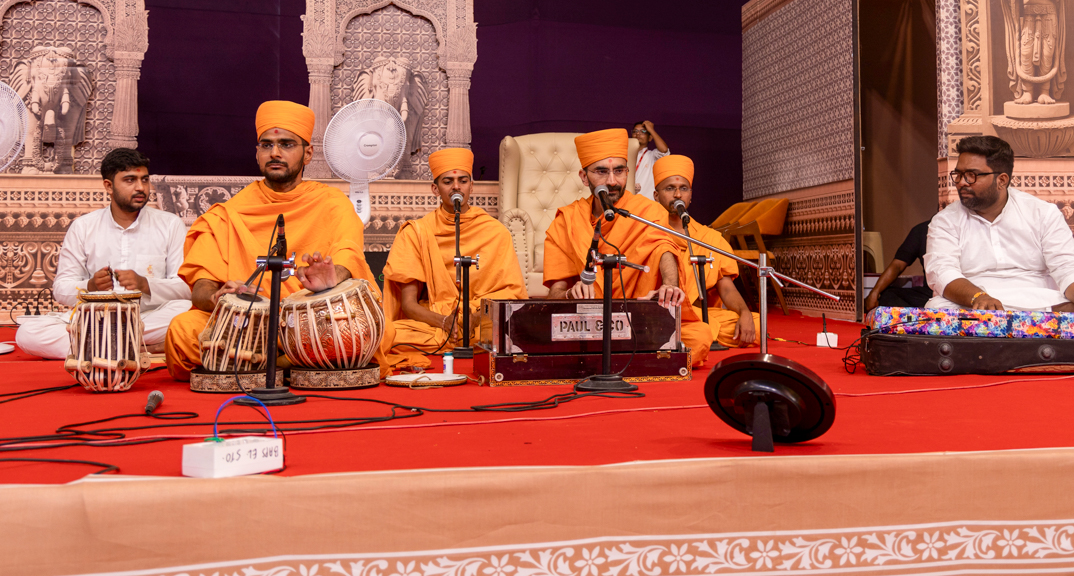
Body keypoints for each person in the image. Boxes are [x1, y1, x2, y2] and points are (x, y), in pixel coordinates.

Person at [163, 100, 382, 380]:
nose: (275, 153)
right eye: (266, 145)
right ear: (257, 153)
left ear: (308, 154)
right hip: (244, 326)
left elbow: (347, 256)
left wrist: (330, 279)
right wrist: (218, 297)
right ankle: (289, 364)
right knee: (183, 330)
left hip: (309, 323)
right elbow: (201, 286)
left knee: (351, 329)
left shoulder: (332, 204)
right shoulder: (229, 213)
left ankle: (256, 364)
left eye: (287, 144)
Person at [543, 129, 712, 366]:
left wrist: (669, 286)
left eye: (619, 171)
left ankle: (610, 356)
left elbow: (663, 248)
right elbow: (554, 296)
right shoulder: (566, 221)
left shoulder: (647, 212)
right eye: (601, 171)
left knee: (700, 337)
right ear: (583, 177)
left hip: (638, 321)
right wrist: (572, 294)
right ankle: (633, 355)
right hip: (586, 324)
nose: (612, 181)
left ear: (627, 173)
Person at [15, 148, 192, 359]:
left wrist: (145, 284)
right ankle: (133, 346)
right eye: (130, 180)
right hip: (95, 318)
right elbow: (61, 288)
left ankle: (98, 346)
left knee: (187, 310)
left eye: (144, 180)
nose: (140, 188)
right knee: (28, 333)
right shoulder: (83, 227)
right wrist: (90, 286)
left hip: (146, 317)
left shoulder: (170, 225)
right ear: (108, 186)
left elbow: (185, 287)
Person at [925, 135, 1074, 314]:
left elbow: (1067, 266)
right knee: (938, 310)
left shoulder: (1042, 213)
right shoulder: (944, 221)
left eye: (971, 175)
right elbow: (942, 272)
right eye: (958, 174)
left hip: (1037, 297)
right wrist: (978, 297)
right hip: (972, 300)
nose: (961, 183)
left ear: (1002, 180)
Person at [380, 147, 527, 372]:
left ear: (471, 186)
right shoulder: (416, 232)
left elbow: (511, 293)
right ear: (435, 189)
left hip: (481, 324)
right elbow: (408, 305)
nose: (456, 187)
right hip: (434, 324)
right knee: (390, 336)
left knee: (511, 333)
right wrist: (444, 322)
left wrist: (476, 317)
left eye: (463, 180)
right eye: (448, 181)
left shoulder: (495, 232)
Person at [652, 155, 757, 348]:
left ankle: (697, 335)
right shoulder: (647, 233)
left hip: (699, 315)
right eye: (669, 188)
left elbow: (726, 287)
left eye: (683, 188)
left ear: (690, 195)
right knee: (700, 331)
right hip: (658, 313)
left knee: (757, 325)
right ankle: (700, 335)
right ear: (656, 196)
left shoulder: (709, 237)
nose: (677, 195)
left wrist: (745, 313)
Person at [863, 220, 934, 311]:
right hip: (929, 295)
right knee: (886, 295)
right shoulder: (922, 230)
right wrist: (874, 292)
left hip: (954, 294)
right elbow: (897, 265)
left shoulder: (957, 231)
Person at [632, 120, 669, 198]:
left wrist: (651, 130)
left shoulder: (652, 155)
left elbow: (664, 150)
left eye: (643, 131)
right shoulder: (626, 154)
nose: (638, 134)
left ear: (650, 138)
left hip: (647, 202)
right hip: (627, 202)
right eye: (635, 131)